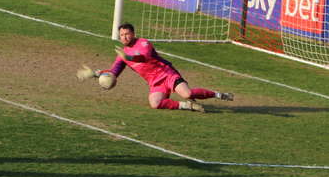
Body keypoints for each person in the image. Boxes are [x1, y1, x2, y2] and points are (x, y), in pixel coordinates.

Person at [83, 23, 233, 112]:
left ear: (133, 34)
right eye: (121, 35)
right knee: (155, 103)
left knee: (187, 93)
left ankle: (219, 95)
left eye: (127, 34)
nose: (124, 37)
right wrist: (97, 74)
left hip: (167, 74)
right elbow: (114, 73)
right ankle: (188, 106)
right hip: (154, 83)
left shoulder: (143, 43)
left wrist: (127, 57)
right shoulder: (122, 55)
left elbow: (144, 57)